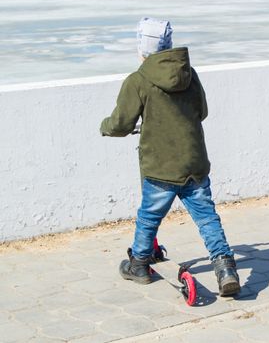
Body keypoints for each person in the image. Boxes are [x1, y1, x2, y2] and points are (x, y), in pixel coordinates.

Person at [99, 17, 240, 296]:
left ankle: (139, 264)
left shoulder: (138, 80)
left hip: (160, 167)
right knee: (207, 217)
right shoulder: (190, 74)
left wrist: (106, 127)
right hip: (193, 162)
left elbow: (121, 123)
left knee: (149, 216)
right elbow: (202, 111)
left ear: (142, 47)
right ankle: (225, 269)